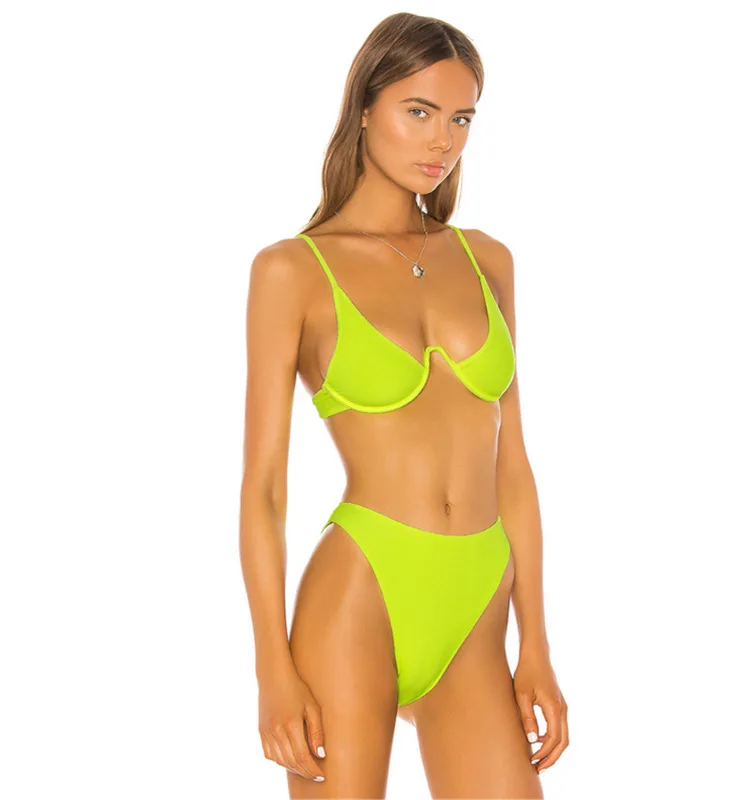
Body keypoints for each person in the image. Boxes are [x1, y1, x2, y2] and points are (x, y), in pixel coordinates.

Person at [239, 12, 568, 798]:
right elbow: (265, 490)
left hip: (477, 604)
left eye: (461, 119)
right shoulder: (293, 271)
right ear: (364, 108)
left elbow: (514, 468)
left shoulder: (486, 260)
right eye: (418, 112)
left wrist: (537, 645)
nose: (441, 141)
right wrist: (272, 670)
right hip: (361, 592)